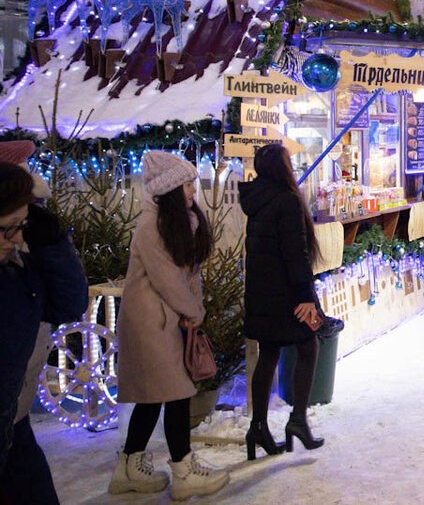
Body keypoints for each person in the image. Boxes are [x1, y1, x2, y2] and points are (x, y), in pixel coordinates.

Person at [111, 151, 228, 499]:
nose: (194, 190)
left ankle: (129, 468)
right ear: (172, 188)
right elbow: (169, 281)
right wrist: (194, 312)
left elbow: (183, 277)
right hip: (152, 325)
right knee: (176, 394)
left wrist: (192, 309)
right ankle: (183, 471)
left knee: (154, 398)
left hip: (162, 322)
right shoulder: (152, 227)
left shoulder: (173, 223)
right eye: (188, 184)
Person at [0, 163, 87, 504]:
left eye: (22, 227)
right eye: (8, 229)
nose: (17, 238)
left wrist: (53, 244)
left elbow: (68, 305)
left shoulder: (16, 270)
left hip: (14, 424)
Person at [241, 143, 327, 460]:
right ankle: (297, 421)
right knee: (309, 346)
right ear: (282, 167)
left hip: (262, 293)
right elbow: (295, 253)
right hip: (288, 294)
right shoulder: (287, 200)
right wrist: (306, 296)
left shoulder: (256, 200)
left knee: (268, 354)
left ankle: (258, 427)